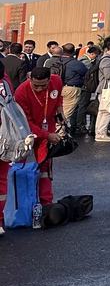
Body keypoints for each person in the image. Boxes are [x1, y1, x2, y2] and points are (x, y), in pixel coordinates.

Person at [2, 68, 63, 221]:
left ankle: (46, 203)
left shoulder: (57, 81)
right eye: (36, 85)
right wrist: (46, 135)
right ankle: (21, 205)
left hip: (48, 130)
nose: (39, 88)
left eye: (43, 85)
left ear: (49, 80)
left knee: (45, 168)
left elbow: (58, 99)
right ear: (30, 79)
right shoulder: (21, 92)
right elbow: (24, 122)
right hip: (26, 134)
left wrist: (60, 113)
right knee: (21, 168)